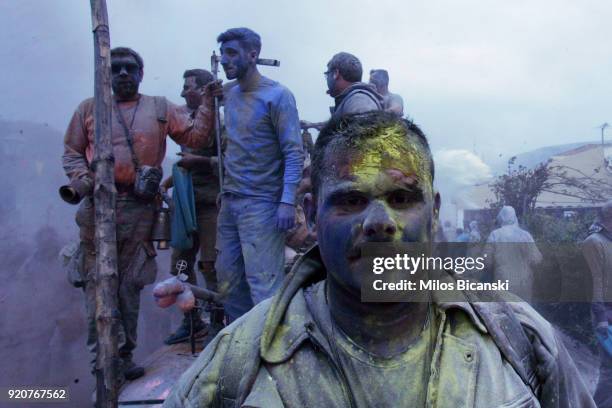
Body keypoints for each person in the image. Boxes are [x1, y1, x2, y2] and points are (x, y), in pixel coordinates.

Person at [161, 111, 594, 407]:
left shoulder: (521, 341)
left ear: (435, 213)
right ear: (311, 215)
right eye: (350, 200)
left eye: (403, 198)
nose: (379, 222)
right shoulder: (234, 365)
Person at [62, 47, 215, 381]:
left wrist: (207, 104)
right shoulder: (89, 109)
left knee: (130, 282)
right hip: (96, 205)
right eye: (115, 69)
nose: (122, 75)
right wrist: (81, 178)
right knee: (97, 283)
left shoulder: (159, 108)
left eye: (129, 68)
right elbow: (73, 151)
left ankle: (124, 355)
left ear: (141, 73)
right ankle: (102, 361)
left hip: (139, 206)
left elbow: (196, 136)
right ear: (106, 74)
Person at [211, 27, 304, 321]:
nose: (226, 60)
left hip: (262, 204)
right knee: (228, 282)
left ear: (253, 55)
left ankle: (272, 355)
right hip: (230, 202)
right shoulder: (229, 94)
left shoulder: (278, 96)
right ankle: (242, 347)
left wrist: (287, 200)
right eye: (223, 53)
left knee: (264, 286)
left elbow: (293, 152)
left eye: (232, 53)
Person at [161, 69, 224, 345]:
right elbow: (185, 161)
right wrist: (167, 183)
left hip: (211, 205)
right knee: (180, 265)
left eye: (188, 88)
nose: (183, 93)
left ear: (202, 91)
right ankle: (191, 321)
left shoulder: (220, 127)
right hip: (187, 206)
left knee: (211, 266)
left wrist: (198, 163)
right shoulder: (187, 125)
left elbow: (230, 165)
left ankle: (218, 322)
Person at [300, 52, 383, 129]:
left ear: (335, 74)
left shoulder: (359, 101)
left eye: (327, 75)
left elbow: (365, 138)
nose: (327, 80)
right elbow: (340, 125)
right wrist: (312, 125)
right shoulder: (354, 100)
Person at [582, 200, 612, 407]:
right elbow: (596, 281)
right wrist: (601, 317)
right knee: (610, 369)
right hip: (605, 312)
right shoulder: (594, 242)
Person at [483, 206, 542, 301]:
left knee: (505, 311)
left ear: (501, 218)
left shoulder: (495, 235)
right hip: (524, 283)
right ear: (514, 217)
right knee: (524, 312)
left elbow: (487, 261)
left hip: (503, 282)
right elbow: (537, 259)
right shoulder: (526, 235)